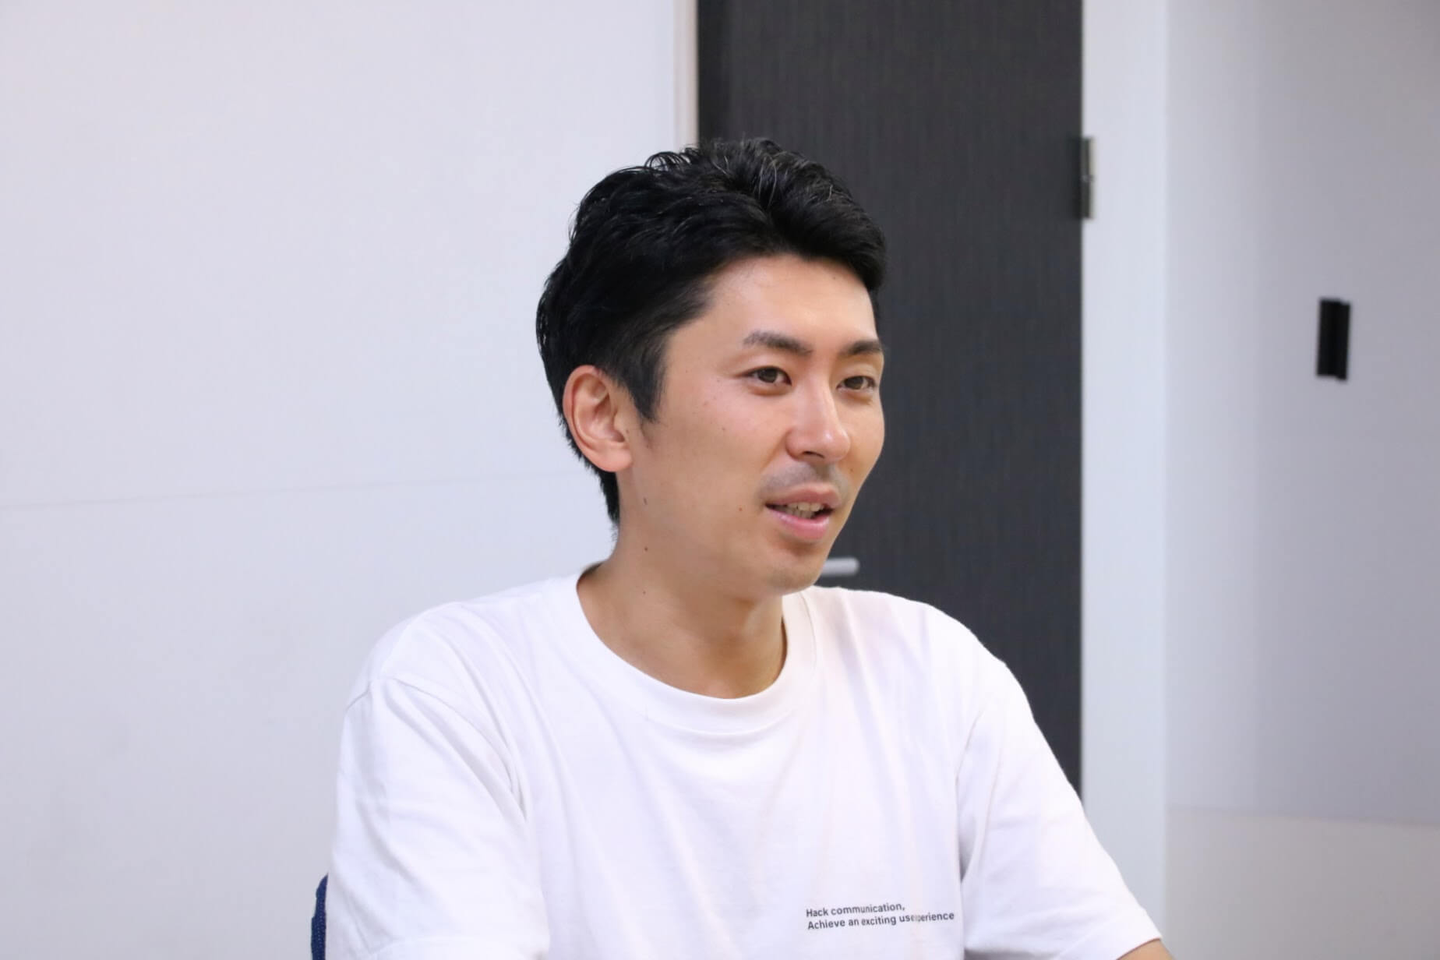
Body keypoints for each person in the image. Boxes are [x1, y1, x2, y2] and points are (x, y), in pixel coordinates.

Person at [325, 139, 1169, 960]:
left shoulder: (933, 673)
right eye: (770, 376)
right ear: (606, 417)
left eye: (857, 383)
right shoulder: (457, 692)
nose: (829, 435)